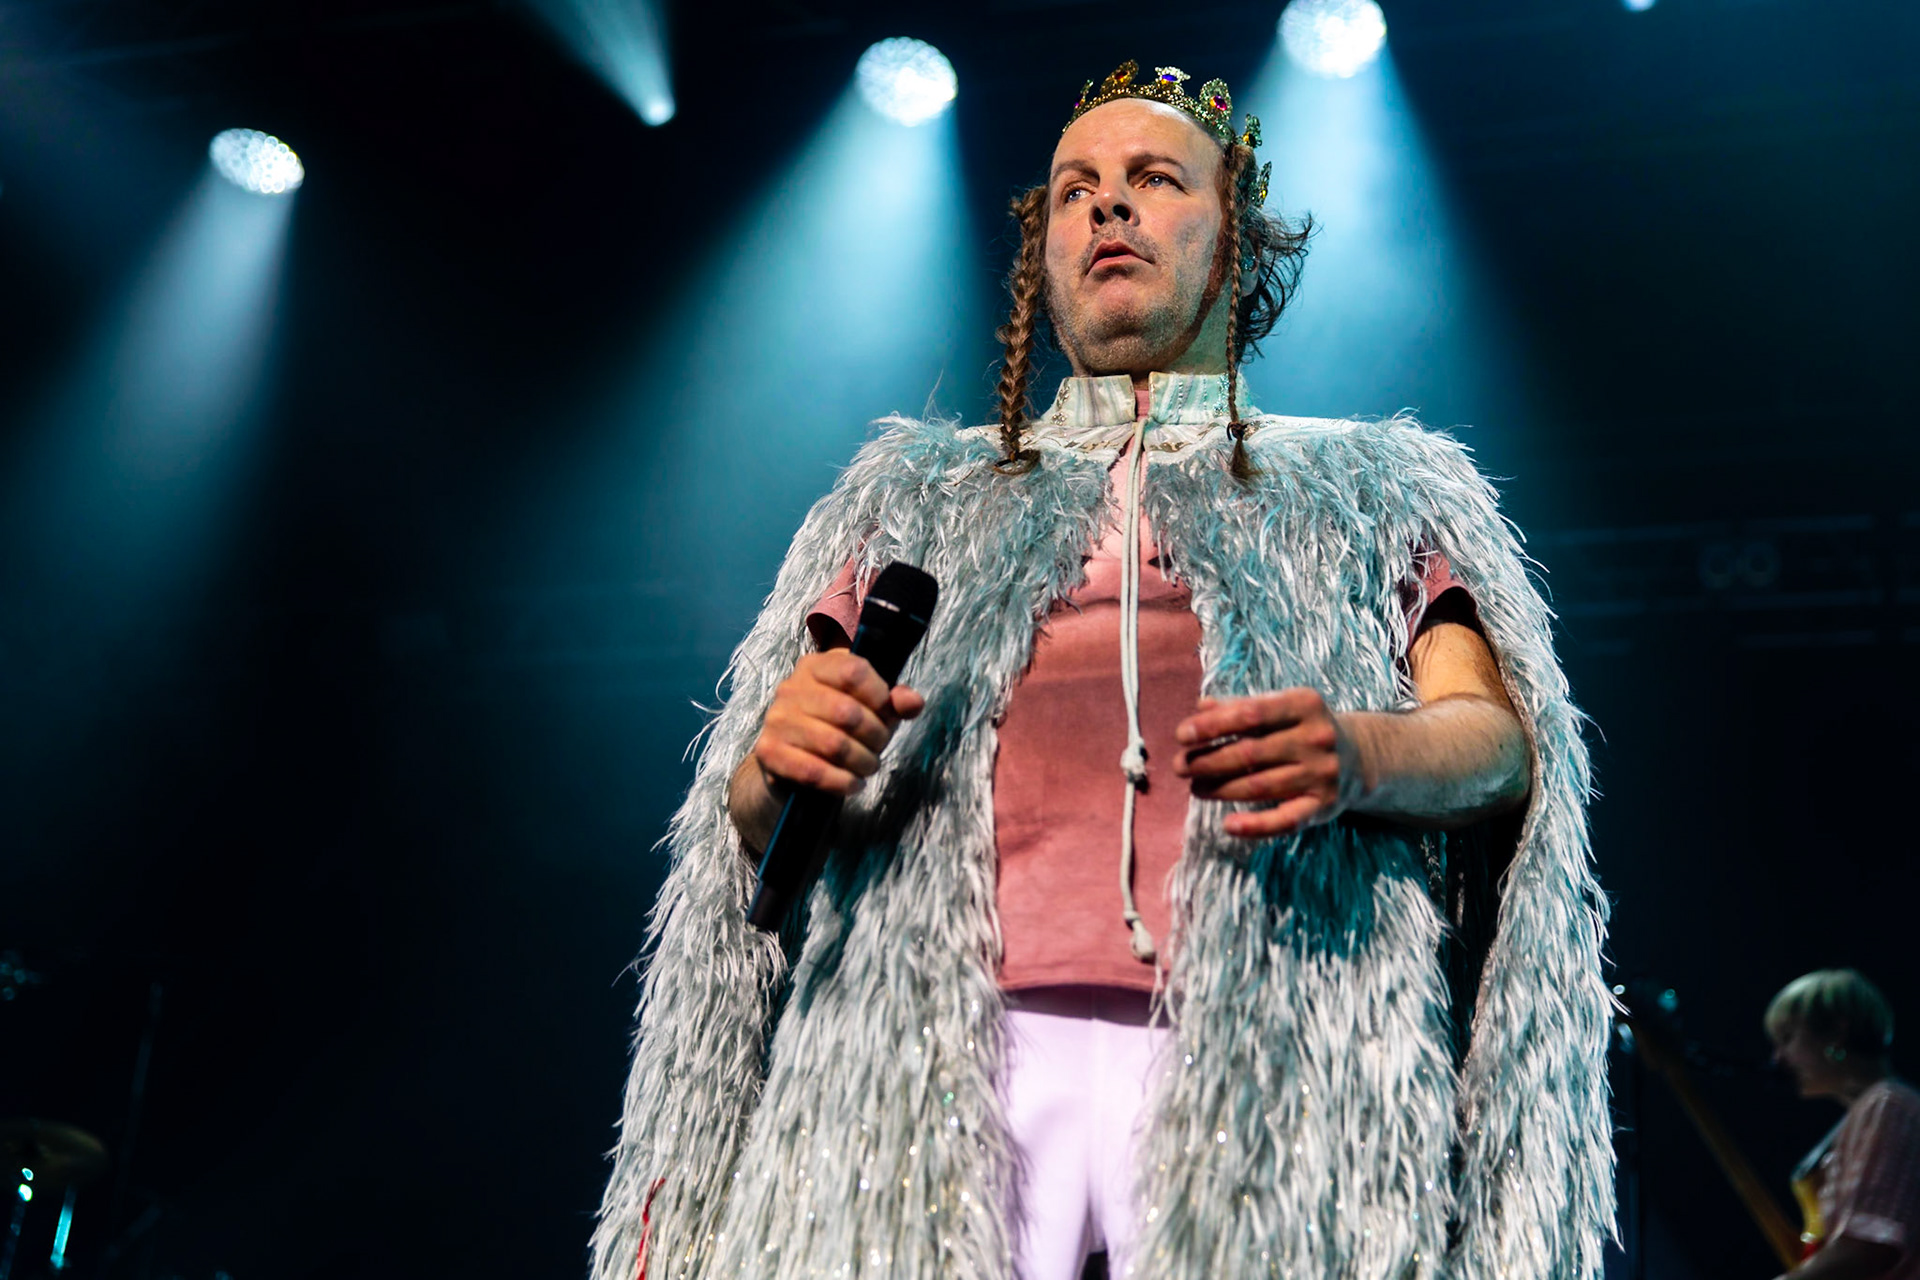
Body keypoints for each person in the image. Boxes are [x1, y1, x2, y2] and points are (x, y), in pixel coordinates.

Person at [592, 61, 1613, 1280]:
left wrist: (1359, 748)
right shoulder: (915, 495)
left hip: (1270, 1041)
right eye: (1075, 189)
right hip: (933, 1048)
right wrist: (777, 759)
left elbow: (1495, 743)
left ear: (1236, 236)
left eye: (1153, 178)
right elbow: (762, 810)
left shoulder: (1368, 486)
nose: (1107, 206)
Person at [1768, 970, 1920, 1280]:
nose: (1778, 1059)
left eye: (1788, 1038)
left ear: (1837, 1032)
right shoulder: (1873, 1109)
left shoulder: (1888, 1106)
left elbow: (1869, 1247)